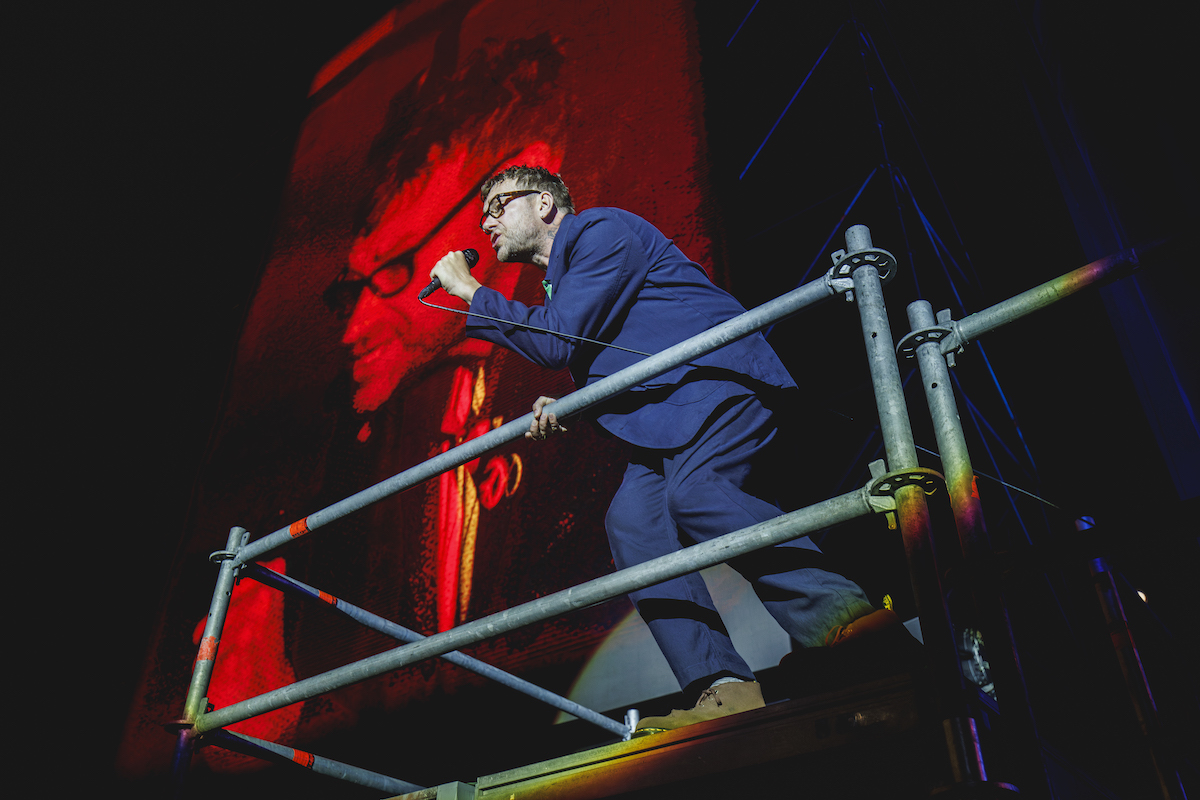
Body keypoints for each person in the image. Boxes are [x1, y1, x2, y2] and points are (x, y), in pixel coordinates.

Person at [429, 166, 899, 734]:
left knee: (698, 494)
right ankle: (721, 686)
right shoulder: (565, 278)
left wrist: (471, 292)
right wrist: (573, 403)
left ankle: (848, 627)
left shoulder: (600, 231)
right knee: (633, 524)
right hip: (670, 417)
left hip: (717, 385)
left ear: (545, 204)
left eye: (498, 206)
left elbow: (556, 340)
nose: (486, 223)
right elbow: (614, 345)